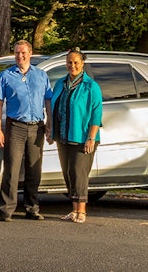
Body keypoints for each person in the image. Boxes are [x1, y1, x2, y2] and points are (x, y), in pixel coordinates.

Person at [0, 39, 52, 221]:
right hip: (16, 126)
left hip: (37, 127)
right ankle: (6, 209)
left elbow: (48, 101)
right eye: (17, 53)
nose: (20, 56)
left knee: (34, 169)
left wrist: (49, 123)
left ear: (30, 53)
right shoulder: (6, 76)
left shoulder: (41, 75)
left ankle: (32, 208)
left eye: (23, 52)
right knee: (12, 167)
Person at [50, 48, 102, 223]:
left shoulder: (90, 86)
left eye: (76, 62)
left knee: (79, 172)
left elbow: (96, 113)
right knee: (68, 173)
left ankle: (82, 211)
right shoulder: (60, 84)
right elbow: (53, 107)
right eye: (69, 62)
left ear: (82, 64)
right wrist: (51, 130)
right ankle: (73, 210)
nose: (72, 65)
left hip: (82, 137)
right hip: (64, 135)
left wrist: (91, 138)